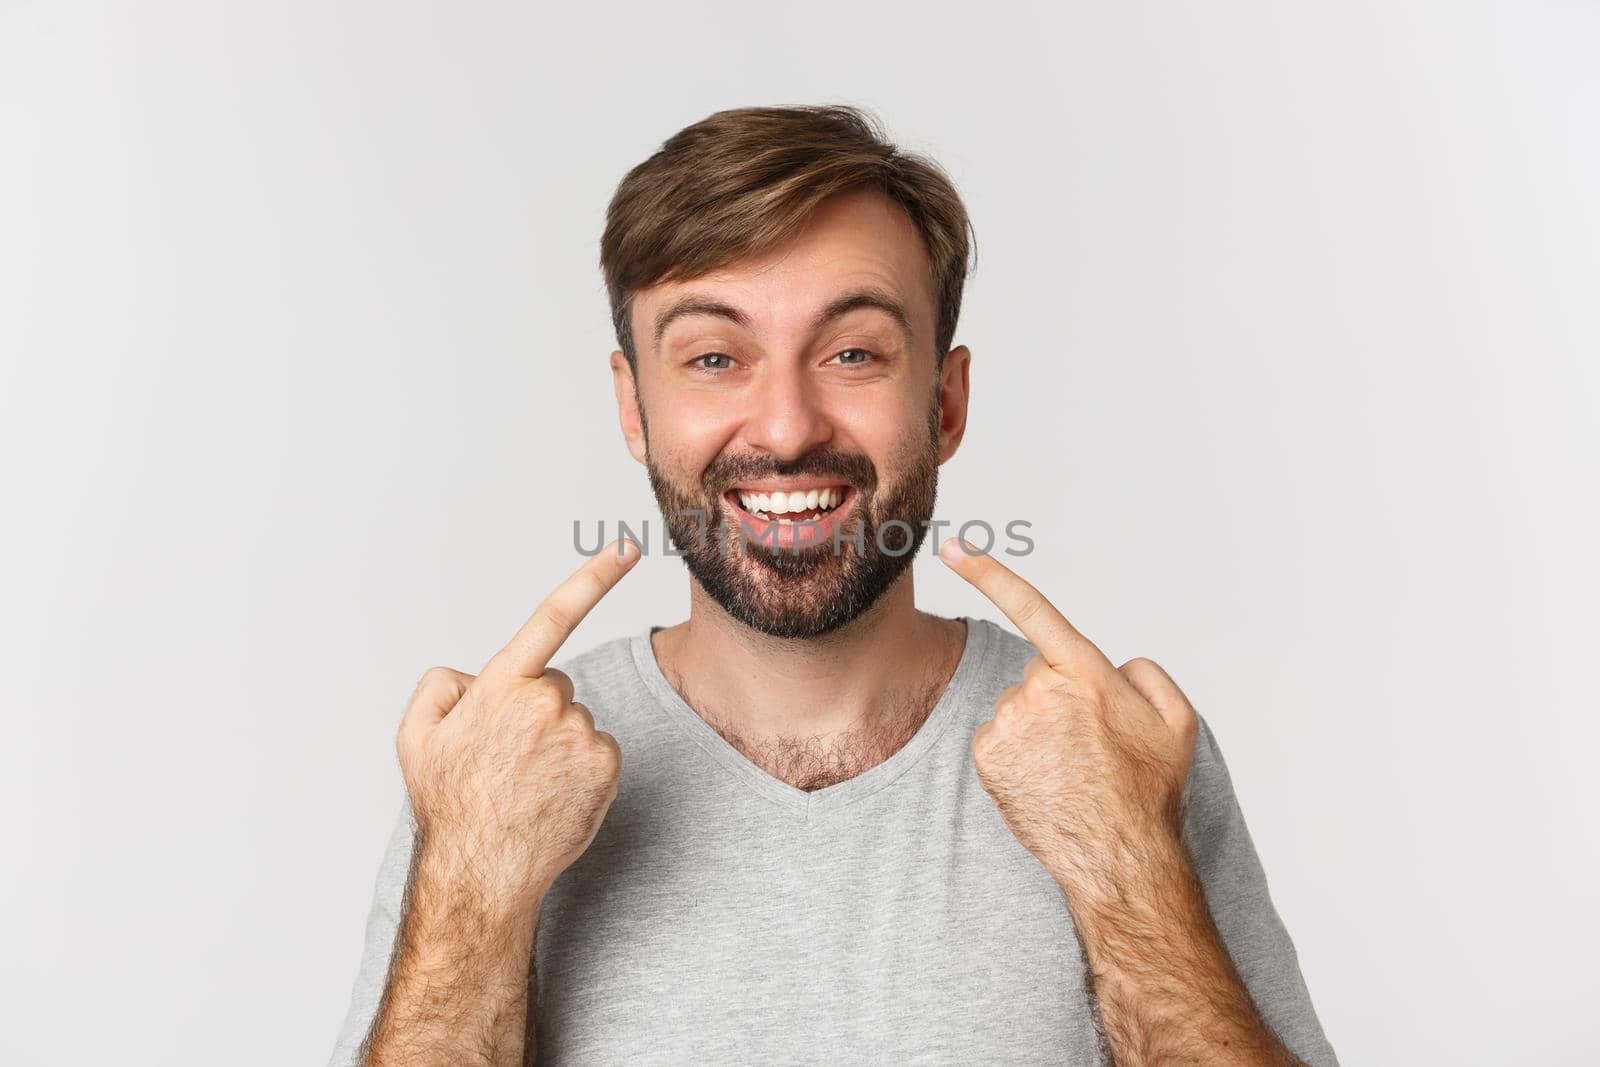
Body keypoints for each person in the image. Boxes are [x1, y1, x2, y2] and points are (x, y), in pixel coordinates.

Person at [328, 105, 1338, 1066]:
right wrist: (472, 883)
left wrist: (1127, 869)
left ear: (943, 402)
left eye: (852, 351)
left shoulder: (1116, 748)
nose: (784, 426)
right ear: (634, 410)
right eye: (715, 356)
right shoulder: (495, 768)